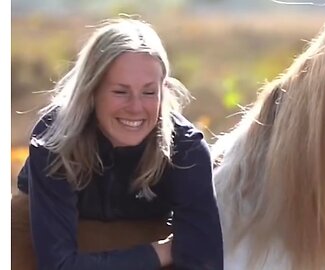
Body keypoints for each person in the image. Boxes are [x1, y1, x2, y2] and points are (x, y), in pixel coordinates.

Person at [16, 17, 224, 270]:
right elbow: (58, 264)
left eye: (149, 92)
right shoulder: (54, 138)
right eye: (120, 91)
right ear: (90, 91)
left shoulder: (186, 150)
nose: (136, 108)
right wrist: (159, 253)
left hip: (144, 231)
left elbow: (204, 262)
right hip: (46, 235)